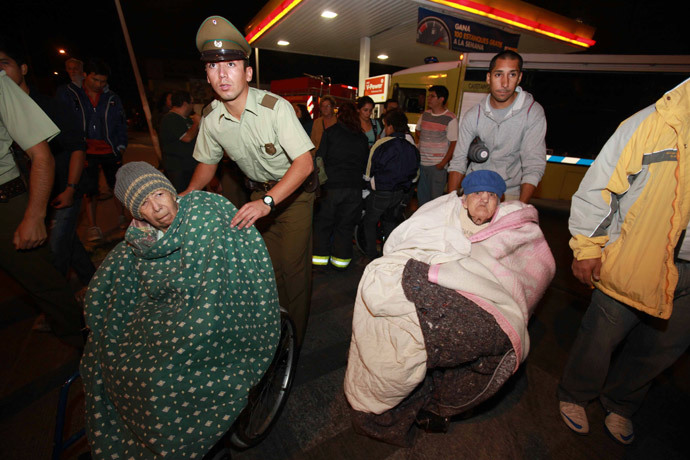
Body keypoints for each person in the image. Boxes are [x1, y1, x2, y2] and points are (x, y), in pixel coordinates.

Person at [80, 161, 280, 458]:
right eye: (144, 205)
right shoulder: (136, 240)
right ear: (135, 214)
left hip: (209, 307)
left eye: (159, 195)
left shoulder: (203, 214)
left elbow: (218, 272)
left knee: (161, 379)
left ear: (172, 192)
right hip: (157, 315)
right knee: (105, 361)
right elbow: (109, 283)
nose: (156, 208)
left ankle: (190, 442)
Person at [344, 170, 555, 446]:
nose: (484, 200)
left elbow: (532, 268)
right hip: (437, 282)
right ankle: (387, 396)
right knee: (399, 329)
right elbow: (406, 242)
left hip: (480, 296)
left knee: (490, 342)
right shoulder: (441, 216)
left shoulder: (507, 228)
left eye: (491, 196)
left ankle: (441, 402)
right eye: (477, 193)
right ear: (464, 200)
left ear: (499, 203)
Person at [557, 78, 690, 445]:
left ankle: (622, 403)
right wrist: (587, 248)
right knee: (601, 336)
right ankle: (576, 393)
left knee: (663, 348)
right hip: (636, 253)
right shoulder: (651, 122)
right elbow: (600, 186)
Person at [184, 15, 315, 345]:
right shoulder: (212, 118)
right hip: (258, 195)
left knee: (293, 269)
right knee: (266, 270)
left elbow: (304, 164)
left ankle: (293, 341)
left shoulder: (275, 108)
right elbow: (206, 165)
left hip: (294, 195)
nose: (222, 74)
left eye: (230, 64)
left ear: (248, 72)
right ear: (207, 74)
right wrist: (186, 194)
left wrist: (269, 202)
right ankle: (274, 329)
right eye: (214, 67)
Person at [0, 53, 84, 349]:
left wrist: (70, 188)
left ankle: (84, 339)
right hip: (36, 193)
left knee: (52, 264)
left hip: (45, 193)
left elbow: (69, 149)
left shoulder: (52, 105)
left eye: (4, 62)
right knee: (66, 246)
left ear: (22, 67)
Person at [448, 50, 546, 203]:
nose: (505, 83)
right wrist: (450, 202)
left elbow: (533, 165)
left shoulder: (532, 113)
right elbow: (458, 160)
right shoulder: (474, 114)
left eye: (512, 75)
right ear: (488, 78)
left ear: (519, 78)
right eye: (498, 74)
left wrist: (520, 207)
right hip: (474, 189)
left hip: (509, 193)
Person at [58, 59, 128, 241]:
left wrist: (120, 146)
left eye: (102, 81)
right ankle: (93, 227)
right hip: (84, 151)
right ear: (85, 76)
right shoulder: (73, 94)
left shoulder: (112, 98)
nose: (98, 85)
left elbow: (121, 123)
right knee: (90, 190)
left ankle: (123, 219)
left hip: (109, 150)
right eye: (95, 80)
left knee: (117, 186)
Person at [312, 101, 369, 270]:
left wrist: (320, 184)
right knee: (345, 227)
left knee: (323, 225)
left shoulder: (330, 133)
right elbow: (365, 162)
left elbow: (319, 159)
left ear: (339, 116)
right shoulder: (362, 137)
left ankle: (320, 263)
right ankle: (341, 263)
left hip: (332, 188)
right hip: (354, 190)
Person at [361, 109, 420, 259]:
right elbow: (415, 176)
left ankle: (371, 255)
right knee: (390, 222)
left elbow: (368, 173)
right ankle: (387, 254)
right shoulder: (411, 147)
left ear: (391, 126)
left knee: (370, 222)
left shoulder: (381, 144)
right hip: (399, 193)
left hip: (381, 192)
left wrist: (367, 186)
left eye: (385, 126)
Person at [414, 85, 458, 206]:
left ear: (441, 99)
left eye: (432, 96)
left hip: (437, 166)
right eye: (429, 96)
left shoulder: (450, 118)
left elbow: (454, 143)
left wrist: (443, 163)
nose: (429, 98)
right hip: (422, 164)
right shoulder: (425, 115)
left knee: (435, 201)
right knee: (422, 199)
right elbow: (418, 131)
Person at [159, 90, 200, 192]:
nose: (193, 106)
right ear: (185, 103)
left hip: (191, 166)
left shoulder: (187, 119)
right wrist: (197, 123)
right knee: (182, 197)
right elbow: (187, 138)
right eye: (192, 103)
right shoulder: (170, 119)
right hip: (179, 168)